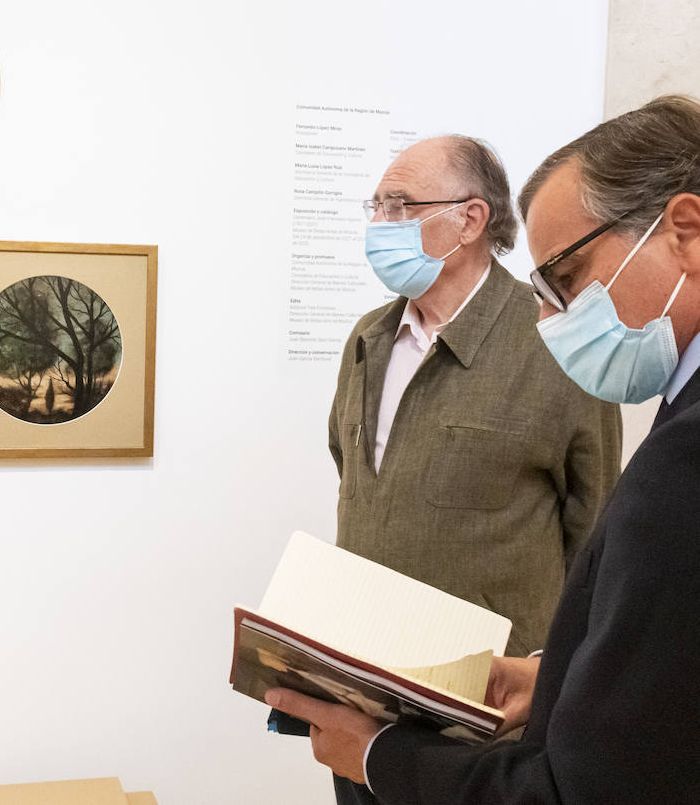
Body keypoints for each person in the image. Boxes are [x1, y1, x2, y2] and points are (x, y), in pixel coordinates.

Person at [267, 95, 700, 803]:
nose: (380, 224)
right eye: (375, 207)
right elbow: (358, 488)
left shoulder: (558, 350)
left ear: (469, 219)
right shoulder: (368, 341)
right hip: (374, 700)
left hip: (484, 738)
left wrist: (559, 673)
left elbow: (597, 536)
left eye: (400, 206)